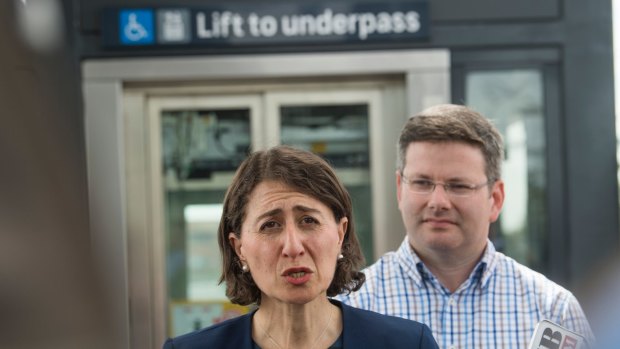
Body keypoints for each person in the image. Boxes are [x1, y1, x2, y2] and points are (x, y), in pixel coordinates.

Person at [337, 104, 594, 348]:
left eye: (458, 186)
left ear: (496, 198)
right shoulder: (351, 305)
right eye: (422, 183)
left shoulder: (553, 311)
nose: (437, 202)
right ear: (400, 190)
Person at [163, 145, 439, 348]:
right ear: (239, 248)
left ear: (340, 234)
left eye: (308, 220)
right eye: (270, 225)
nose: (293, 247)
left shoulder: (408, 343)